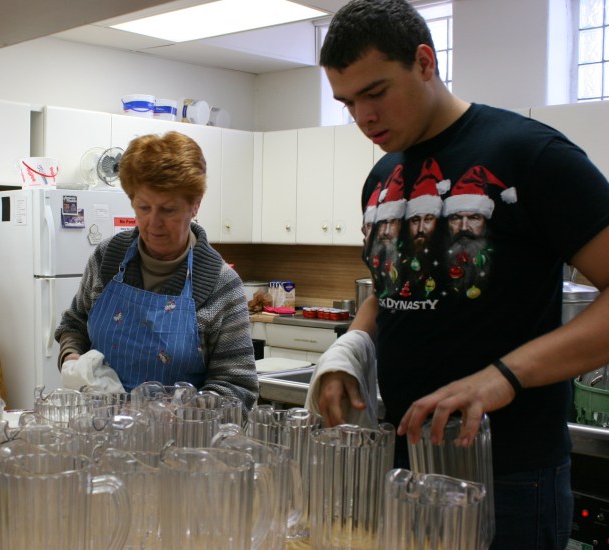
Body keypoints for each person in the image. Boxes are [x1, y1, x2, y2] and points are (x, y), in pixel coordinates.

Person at [311, 0, 609, 548]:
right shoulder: (381, 176)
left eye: (375, 93)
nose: (363, 118)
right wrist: (346, 352)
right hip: (403, 463)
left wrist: (501, 375)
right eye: (348, 102)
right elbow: (388, 288)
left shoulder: (531, 154)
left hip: (510, 474)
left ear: (425, 62)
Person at [54, 131, 259, 411]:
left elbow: (238, 388)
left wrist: (185, 413)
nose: (153, 223)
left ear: (195, 205)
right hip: (100, 433)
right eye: (143, 207)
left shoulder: (219, 284)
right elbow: (74, 325)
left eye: (168, 210)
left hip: (180, 446)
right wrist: (72, 358)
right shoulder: (108, 259)